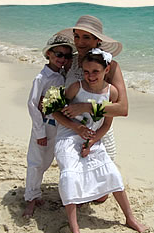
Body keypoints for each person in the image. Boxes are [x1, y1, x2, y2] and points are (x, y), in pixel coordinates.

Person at [53, 49, 147, 233]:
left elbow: (106, 125)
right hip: (69, 136)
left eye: (95, 71)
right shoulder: (75, 87)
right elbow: (54, 111)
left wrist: (92, 141)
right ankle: (75, 230)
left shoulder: (111, 92)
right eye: (86, 71)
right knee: (69, 175)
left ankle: (130, 217)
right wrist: (76, 128)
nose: (90, 76)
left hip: (92, 139)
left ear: (106, 70)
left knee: (112, 173)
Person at [57, 15, 128, 161]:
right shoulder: (70, 62)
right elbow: (57, 99)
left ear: (98, 40)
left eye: (86, 37)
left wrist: (87, 107)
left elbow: (122, 109)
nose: (80, 42)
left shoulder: (111, 67)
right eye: (76, 36)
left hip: (99, 135)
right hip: (70, 133)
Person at [23, 34, 76, 218]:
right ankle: (30, 198)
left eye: (67, 56)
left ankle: (36, 193)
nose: (63, 59)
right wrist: (39, 132)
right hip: (44, 126)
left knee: (47, 162)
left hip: (58, 127)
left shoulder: (63, 76)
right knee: (36, 162)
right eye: (59, 54)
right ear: (49, 54)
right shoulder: (41, 78)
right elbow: (32, 105)